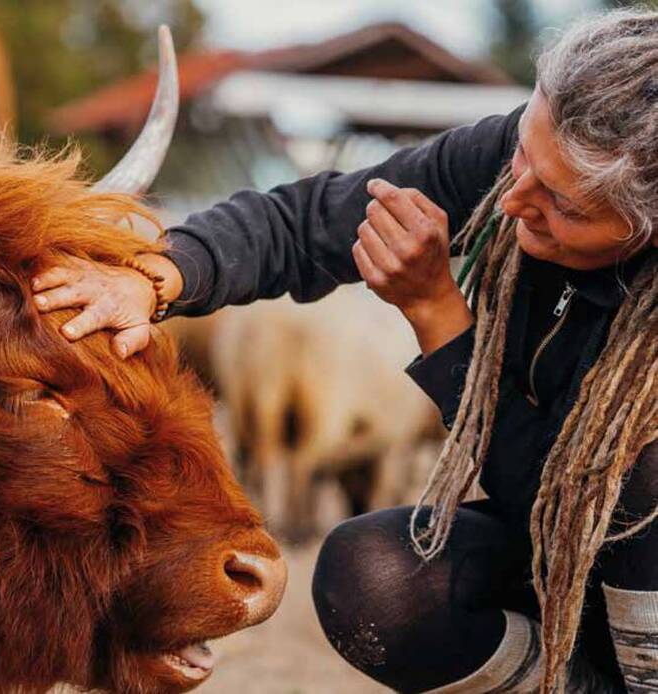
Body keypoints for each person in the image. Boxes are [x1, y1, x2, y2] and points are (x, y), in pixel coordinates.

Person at [32, 10, 657, 693]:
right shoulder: (528, 162)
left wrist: (435, 313)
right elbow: (314, 220)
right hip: (560, 550)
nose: (511, 201)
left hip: (629, 551)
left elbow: (569, 499)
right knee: (375, 575)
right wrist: (156, 274)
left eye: (564, 206)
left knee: (644, 481)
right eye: (522, 156)